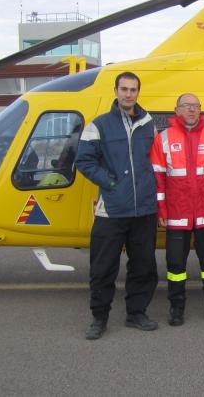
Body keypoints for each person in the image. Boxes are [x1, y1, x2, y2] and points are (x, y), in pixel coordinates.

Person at [74, 71, 159, 340]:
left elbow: (156, 161)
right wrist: (109, 183)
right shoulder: (98, 125)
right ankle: (99, 317)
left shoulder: (149, 125)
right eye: (124, 89)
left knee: (144, 265)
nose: (128, 94)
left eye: (133, 90)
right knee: (103, 267)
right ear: (116, 90)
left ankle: (136, 312)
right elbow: (84, 161)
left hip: (144, 209)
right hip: (111, 209)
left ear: (138, 93)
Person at [150, 93, 204, 326]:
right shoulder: (162, 138)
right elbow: (158, 179)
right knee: (176, 265)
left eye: (195, 106)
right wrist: (161, 211)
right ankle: (177, 309)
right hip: (177, 214)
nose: (192, 110)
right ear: (176, 111)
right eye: (186, 106)